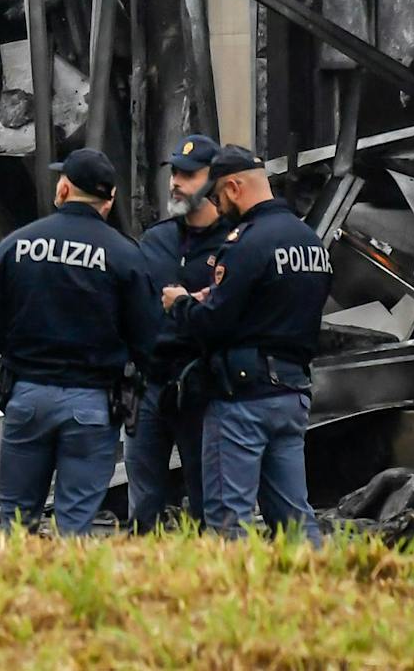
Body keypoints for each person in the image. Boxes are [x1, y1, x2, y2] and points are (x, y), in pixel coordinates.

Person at [0, 147, 166, 536]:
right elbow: (147, 337)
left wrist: (24, 357)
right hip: (92, 404)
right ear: (109, 199)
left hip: (28, 396)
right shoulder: (124, 254)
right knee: (76, 525)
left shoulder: (18, 244)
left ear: (63, 189)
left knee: (16, 521)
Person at [164, 145, 332, 543]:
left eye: (217, 196)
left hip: (242, 398)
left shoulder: (246, 243)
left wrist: (182, 304)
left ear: (234, 188)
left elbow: (212, 324)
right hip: (292, 392)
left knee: (228, 518)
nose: (218, 208)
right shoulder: (309, 240)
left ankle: (233, 583)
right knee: (294, 517)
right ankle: (314, 579)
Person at [127, 133, 232, 530]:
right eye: (174, 173)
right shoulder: (155, 239)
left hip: (203, 386)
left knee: (208, 498)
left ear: (213, 180)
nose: (175, 182)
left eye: (188, 175)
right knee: (144, 501)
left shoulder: (234, 242)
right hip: (150, 385)